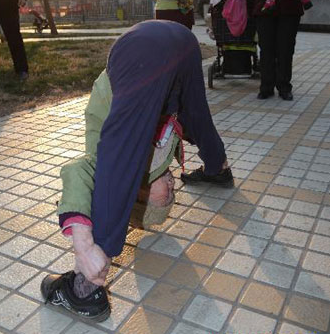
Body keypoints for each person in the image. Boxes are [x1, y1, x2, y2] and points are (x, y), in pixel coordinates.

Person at [41, 20, 233, 320]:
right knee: (194, 111)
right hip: (172, 41)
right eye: (169, 196)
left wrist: (88, 248)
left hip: (157, 45)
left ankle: (86, 286)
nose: (171, 189)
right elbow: (193, 120)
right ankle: (218, 168)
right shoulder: (156, 155)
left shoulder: (104, 121)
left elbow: (87, 170)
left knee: (117, 161)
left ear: (140, 194)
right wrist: (211, 158)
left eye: (164, 196)